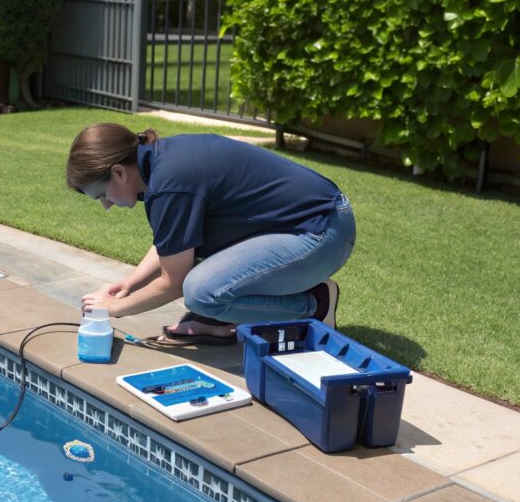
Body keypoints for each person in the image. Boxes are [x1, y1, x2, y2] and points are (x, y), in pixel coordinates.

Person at [67, 123, 356, 345]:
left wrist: (115, 309)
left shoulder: (169, 183)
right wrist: (129, 284)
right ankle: (225, 320)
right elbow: (172, 243)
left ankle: (314, 303)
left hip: (322, 234)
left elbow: (173, 283)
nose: (106, 205)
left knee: (202, 294)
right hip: (313, 223)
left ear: (119, 172)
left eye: (102, 195)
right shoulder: (162, 163)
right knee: (208, 287)